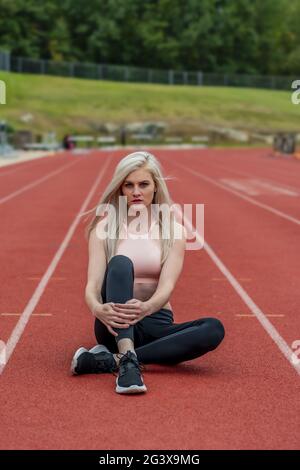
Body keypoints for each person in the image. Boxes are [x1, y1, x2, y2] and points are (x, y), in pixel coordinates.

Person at [70, 151, 225, 394]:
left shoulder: (174, 231)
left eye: (143, 184)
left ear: (155, 187)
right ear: (120, 189)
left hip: (155, 321)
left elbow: (167, 287)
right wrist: (97, 309)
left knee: (213, 329)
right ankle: (127, 360)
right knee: (120, 262)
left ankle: (115, 360)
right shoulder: (103, 229)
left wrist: (147, 307)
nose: (136, 192)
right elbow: (92, 285)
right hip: (114, 324)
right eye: (128, 185)